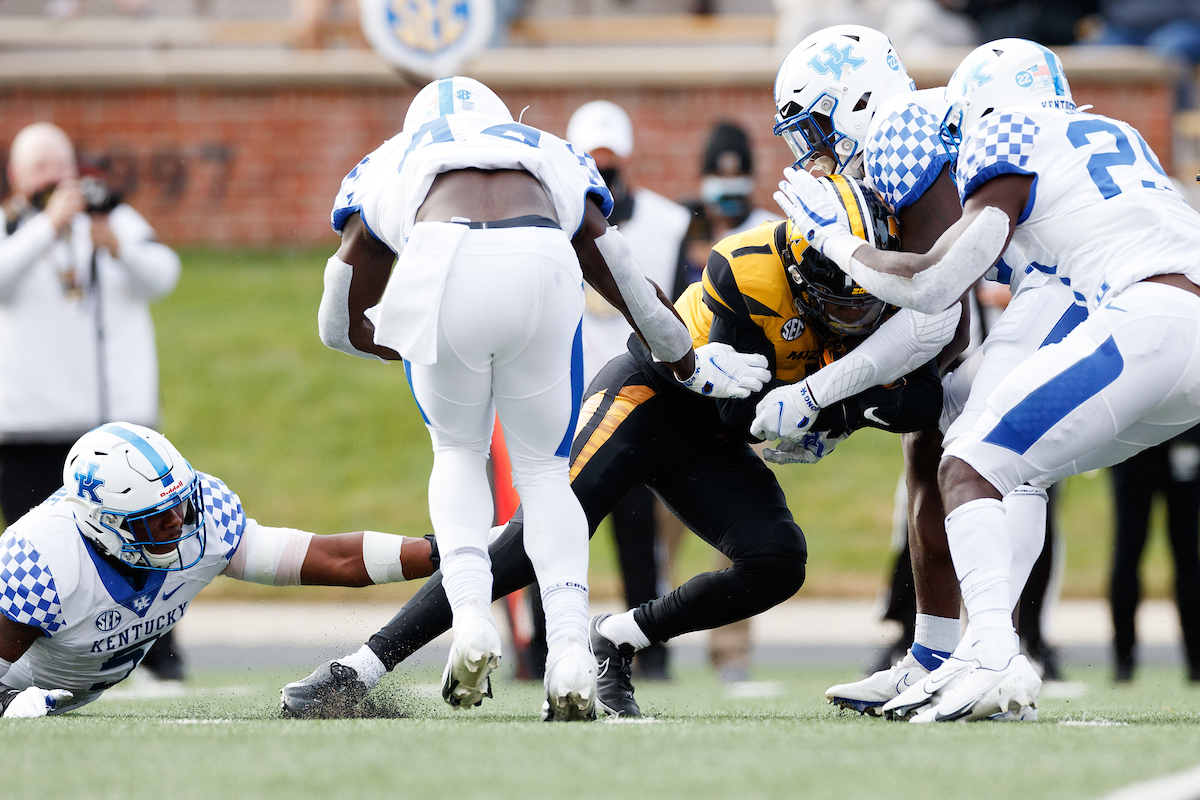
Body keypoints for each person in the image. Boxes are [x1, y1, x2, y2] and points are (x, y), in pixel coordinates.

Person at [282, 172, 959, 720]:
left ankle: (618, 639)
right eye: (838, 302)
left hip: (713, 440)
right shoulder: (746, 268)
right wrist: (812, 406)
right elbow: (702, 379)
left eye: (866, 300)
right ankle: (358, 668)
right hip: (653, 399)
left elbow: (920, 402)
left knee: (778, 561)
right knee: (532, 539)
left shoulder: (881, 286)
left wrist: (834, 409)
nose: (857, 316)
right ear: (803, 268)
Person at [311, 76, 770, 721]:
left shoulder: (395, 156)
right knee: (549, 474)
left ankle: (472, 619)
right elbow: (619, 270)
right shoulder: (542, 147)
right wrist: (687, 360)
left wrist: (396, 339)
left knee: (460, 453)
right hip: (544, 263)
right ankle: (571, 653)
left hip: (443, 256)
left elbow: (338, 321)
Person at [778, 37, 1200, 722]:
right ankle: (978, 647)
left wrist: (835, 240)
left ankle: (996, 653)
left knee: (968, 461)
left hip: (1148, 318)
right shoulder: (1110, 134)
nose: (958, 137)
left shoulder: (1009, 128)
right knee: (1014, 469)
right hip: (1169, 324)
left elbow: (939, 286)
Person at [0, 423, 433, 718]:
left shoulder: (204, 519)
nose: (180, 523)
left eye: (181, 504)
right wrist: (9, 702)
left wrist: (450, 550)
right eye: (156, 517)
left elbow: (336, 558)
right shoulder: (43, 563)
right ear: (107, 524)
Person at [0, 122, 184, 681]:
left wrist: (116, 244)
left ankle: (160, 662)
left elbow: (165, 275)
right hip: (25, 424)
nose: (53, 181)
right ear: (16, 176)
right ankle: (36, 662)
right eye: (38, 170)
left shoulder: (113, 220)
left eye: (60, 167)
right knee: (41, 550)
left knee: (143, 542)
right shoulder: (12, 229)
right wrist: (43, 229)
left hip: (105, 426)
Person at [565, 99, 693, 681]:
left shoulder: (667, 222)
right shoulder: (546, 223)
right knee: (558, 536)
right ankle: (549, 645)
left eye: (611, 161)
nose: (604, 171)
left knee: (640, 539)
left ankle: (649, 648)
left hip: (638, 399)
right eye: (594, 161)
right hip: (565, 403)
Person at [1109, 427, 1200, 683]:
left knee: (1184, 549)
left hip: (1150, 434)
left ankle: (1194, 660)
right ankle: (1123, 660)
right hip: (1145, 437)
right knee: (1131, 546)